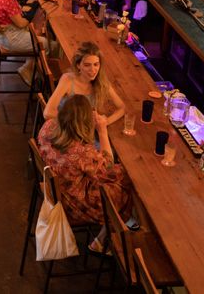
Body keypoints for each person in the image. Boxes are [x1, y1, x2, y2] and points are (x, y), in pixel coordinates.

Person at [37, 94, 133, 252]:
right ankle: (102, 241)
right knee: (124, 188)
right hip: (72, 203)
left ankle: (120, 229)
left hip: (56, 188)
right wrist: (102, 130)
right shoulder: (81, 153)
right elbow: (108, 168)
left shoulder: (49, 126)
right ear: (84, 123)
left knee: (119, 178)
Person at [43, 41, 125, 124]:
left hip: (85, 128)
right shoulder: (67, 79)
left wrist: (106, 122)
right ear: (78, 65)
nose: (92, 70)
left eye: (96, 64)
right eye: (87, 65)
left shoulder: (101, 81)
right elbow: (48, 113)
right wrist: (80, 122)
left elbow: (122, 108)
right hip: (65, 127)